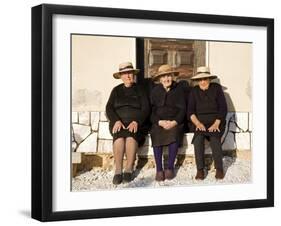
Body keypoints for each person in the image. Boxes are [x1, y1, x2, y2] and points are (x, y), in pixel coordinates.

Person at [106, 62, 150, 185]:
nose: (128, 76)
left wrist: (137, 121)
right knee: (119, 138)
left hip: (137, 123)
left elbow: (146, 108)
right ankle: (118, 170)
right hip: (119, 122)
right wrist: (115, 120)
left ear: (133, 74)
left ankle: (129, 168)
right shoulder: (116, 90)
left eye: (130, 73)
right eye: (125, 74)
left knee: (131, 137)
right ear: (121, 76)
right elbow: (109, 107)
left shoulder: (141, 90)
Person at [188, 66, 228, 180]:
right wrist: (197, 123)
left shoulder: (216, 88)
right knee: (198, 140)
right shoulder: (194, 91)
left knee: (215, 139)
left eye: (205, 79)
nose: (203, 81)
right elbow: (190, 111)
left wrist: (216, 124)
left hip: (215, 121)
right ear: (197, 80)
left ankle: (219, 168)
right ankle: (200, 169)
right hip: (199, 122)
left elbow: (223, 108)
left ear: (209, 79)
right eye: (200, 79)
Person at [150, 65, 186, 181]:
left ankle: (170, 167)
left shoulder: (179, 90)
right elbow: (151, 111)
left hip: (174, 121)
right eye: (164, 77)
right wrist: (159, 122)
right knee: (155, 133)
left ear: (172, 77)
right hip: (159, 122)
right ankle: (159, 169)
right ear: (160, 79)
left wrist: (174, 122)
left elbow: (183, 110)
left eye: (169, 76)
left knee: (174, 134)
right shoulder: (155, 91)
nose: (167, 79)